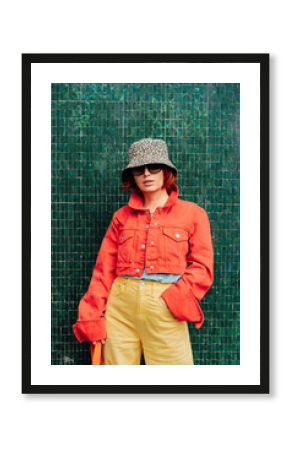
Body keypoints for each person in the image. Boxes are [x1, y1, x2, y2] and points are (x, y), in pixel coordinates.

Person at [72, 137, 214, 365]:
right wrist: (91, 313)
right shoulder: (121, 216)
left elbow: (202, 267)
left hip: (164, 305)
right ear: (133, 177)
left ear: (166, 171)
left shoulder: (193, 214)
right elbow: (104, 269)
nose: (147, 174)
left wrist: (173, 300)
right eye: (139, 170)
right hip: (120, 306)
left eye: (154, 167)